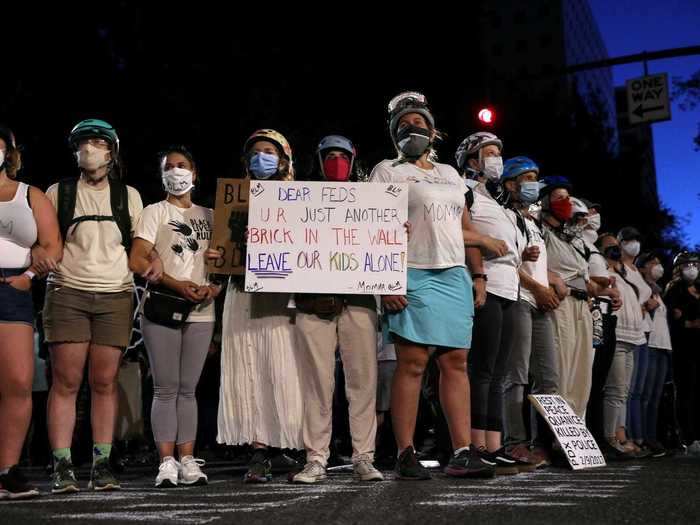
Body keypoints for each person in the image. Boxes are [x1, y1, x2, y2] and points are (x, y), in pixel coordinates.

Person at [371, 91, 505, 480]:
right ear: (394, 133)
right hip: (411, 271)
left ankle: (463, 451)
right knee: (412, 364)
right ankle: (404, 452)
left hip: (452, 276)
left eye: (419, 123)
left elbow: (462, 228)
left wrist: (478, 272)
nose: (412, 128)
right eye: (403, 125)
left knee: (455, 362)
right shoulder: (386, 171)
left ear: (433, 131)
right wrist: (386, 283)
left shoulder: (450, 174)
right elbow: (374, 231)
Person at [44, 119, 157, 493]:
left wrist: (153, 263)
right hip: (68, 292)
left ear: (111, 151)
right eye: (82, 143)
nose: (88, 149)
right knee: (66, 382)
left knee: (105, 382)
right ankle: (62, 465)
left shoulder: (129, 196)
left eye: (96, 142)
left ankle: (101, 464)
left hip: (114, 295)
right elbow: (46, 243)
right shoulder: (58, 192)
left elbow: (140, 249)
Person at [213, 129, 304, 483]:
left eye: (268, 151)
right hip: (242, 291)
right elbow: (220, 247)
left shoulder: (299, 198)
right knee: (249, 363)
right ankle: (259, 448)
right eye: (255, 152)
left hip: (284, 295)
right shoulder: (233, 200)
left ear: (283, 159)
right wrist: (215, 257)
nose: (261, 157)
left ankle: (286, 443)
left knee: (283, 367)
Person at [292, 136, 382, 483]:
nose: (336, 161)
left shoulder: (370, 198)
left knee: (362, 382)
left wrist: (393, 230)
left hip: (358, 301)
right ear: (318, 159)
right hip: (313, 301)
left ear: (353, 158)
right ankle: (316, 458)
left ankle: (364, 456)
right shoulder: (301, 199)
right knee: (317, 382)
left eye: (342, 156)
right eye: (329, 156)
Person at [129, 146, 218, 487]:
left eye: (182, 165)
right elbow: (137, 258)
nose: (176, 172)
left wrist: (214, 289)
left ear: (194, 173)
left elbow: (223, 267)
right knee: (165, 388)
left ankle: (187, 459)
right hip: (164, 306)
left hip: (202, 310)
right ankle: (166, 461)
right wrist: (170, 281)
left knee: (188, 389)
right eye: (169, 167)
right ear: (162, 175)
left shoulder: (211, 214)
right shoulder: (154, 212)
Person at [455, 135, 535, 475]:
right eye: (490, 153)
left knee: (499, 373)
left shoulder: (496, 197)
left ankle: (494, 444)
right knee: (483, 371)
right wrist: (478, 277)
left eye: (499, 152)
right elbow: (464, 233)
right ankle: (476, 445)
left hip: (510, 289)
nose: (497, 158)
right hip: (485, 284)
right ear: (472, 159)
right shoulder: (464, 190)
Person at [0, 126, 62, 499]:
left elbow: (53, 246)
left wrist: (27, 275)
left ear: (8, 150)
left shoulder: (30, 194)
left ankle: (6, 469)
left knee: (18, 382)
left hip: (12, 290)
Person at [499, 157, 559, 469]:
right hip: (520, 299)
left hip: (541, 304)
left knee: (549, 378)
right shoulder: (505, 217)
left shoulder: (534, 224)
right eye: (527, 177)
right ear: (510, 184)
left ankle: (543, 444)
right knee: (517, 375)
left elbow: (537, 264)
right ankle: (514, 444)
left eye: (536, 176)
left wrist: (554, 284)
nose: (534, 182)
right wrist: (538, 288)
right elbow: (508, 263)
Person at [538, 176, 606, 418]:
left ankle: (577, 432)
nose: (565, 203)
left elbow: (583, 275)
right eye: (559, 198)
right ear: (545, 200)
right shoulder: (541, 231)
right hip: (561, 304)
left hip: (582, 305)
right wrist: (551, 280)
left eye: (567, 198)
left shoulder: (573, 239)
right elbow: (532, 265)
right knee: (562, 367)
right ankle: (557, 434)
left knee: (581, 371)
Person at [597, 233, 645, 460]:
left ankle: (619, 436)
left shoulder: (621, 275)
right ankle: (610, 438)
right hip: (615, 335)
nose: (615, 251)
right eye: (610, 248)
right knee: (615, 390)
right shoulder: (603, 273)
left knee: (622, 392)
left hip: (631, 338)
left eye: (617, 248)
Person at [617, 227, 654, 455]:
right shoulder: (620, 268)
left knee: (636, 389)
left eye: (637, 240)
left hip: (642, 331)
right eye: (629, 240)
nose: (634, 244)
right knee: (626, 388)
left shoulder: (635, 271)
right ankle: (624, 434)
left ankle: (632, 434)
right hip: (626, 331)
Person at [664, 251, 700, 453]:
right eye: (687, 264)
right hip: (683, 348)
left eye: (695, 263)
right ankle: (687, 436)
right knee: (686, 391)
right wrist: (690, 322)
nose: (692, 268)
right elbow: (675, 320)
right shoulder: (674, 289)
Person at [637, 251, 672, 457]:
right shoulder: (643, 289)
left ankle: (652, 436)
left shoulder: (657, 291)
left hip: (663, 347)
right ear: (642, 267)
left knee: (656, 396)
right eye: (653, 263)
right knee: (645, 395)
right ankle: (643, 438)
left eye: (659, 262)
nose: (658, 266)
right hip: (649, 345)